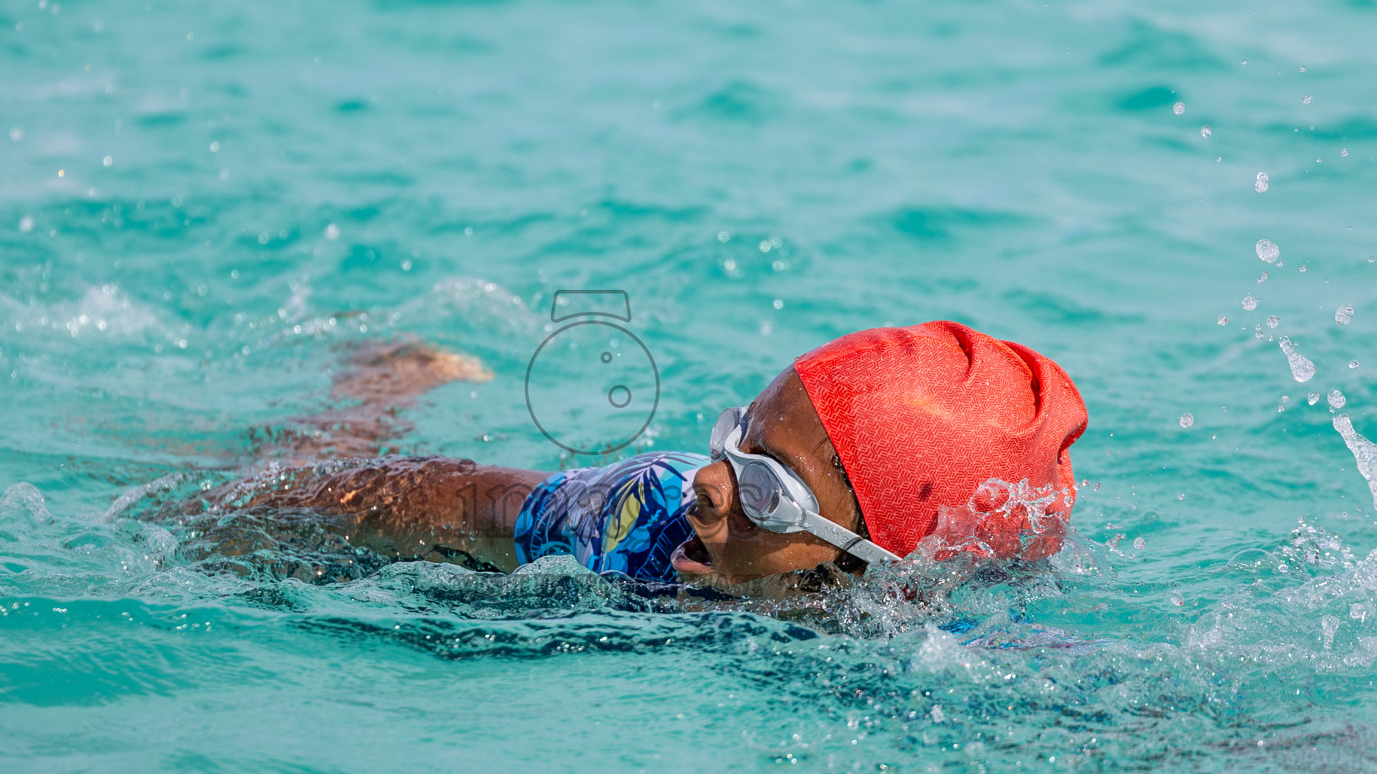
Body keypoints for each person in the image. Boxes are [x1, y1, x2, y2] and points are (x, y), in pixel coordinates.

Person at [191, 321, 1088, 589]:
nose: (709, 483)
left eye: (765, 488)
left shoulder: (927, 652)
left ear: (874, 566)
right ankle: (382, 381)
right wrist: (215, 520)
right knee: (290, 471)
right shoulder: (643, 519)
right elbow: (463, 501)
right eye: (735, 440)